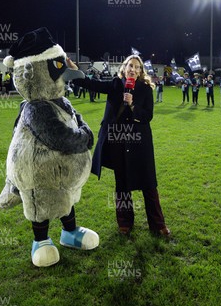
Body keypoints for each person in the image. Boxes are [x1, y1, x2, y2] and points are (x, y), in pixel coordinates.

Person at [67, 55, 171, 237]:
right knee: (122, 184)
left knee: (148, 183)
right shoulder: (115, 84)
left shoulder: (145, 89)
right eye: (130, 65)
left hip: (140, 142)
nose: (133, 69)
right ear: (124, 68)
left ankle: (157, 224)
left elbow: (147, 116)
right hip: (118, 143)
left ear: (140, 72)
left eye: (137, 67)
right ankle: (125, 222)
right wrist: (76, 71)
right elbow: (93, 85)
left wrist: (132, 106)